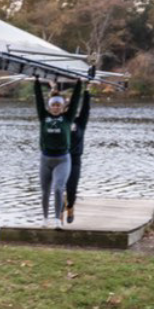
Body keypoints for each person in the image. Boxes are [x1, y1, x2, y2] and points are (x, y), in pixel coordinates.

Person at [33, 77, 82, 229]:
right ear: (49, 107)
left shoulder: (67, 118)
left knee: (59, 188)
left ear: (62, 107)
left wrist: (79, 83)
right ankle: (45, 219)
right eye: (53, 105)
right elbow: (39, 100)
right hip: (46, 159)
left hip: (62, 159)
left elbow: (75, 102)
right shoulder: (44, 117)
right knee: (45, 191)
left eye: (58, 105)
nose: (55, 107)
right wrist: (36, 81)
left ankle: (57, 220)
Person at [65, 87, 91, 223]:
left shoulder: (80, 122)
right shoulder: (62, 120)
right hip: (60, 159)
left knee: (71, 188)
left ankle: (70, 207)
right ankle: (58, 212)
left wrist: (86, 92)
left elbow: (86, 109)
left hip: (75, 159)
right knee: (58, 186)